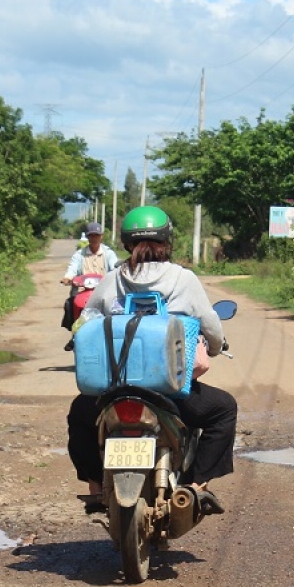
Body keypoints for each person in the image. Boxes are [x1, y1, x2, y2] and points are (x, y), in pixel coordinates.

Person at [66, 206, 237, 515]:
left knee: (80, 414)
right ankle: (196, 487)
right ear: (167, 241)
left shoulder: (112, 279)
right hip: (170, 393)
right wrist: (214, 346)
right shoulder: (183, 280)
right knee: (223, 410)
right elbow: (210, 323)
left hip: (113, 393)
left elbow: (86, 321)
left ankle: (95, 487)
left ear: (127, 243)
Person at [59, 222, 119, 339]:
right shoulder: (79, 255)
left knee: (117, 305)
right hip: (83, 289)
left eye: (96, 235)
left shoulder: (109, 254)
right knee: (70, 303)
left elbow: (114, 267)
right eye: (91, 235)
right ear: (87, 237)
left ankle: (114, 331)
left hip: (104, 289)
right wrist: (68, 277)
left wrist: (117, 274)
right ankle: (74, 331)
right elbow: (72, 268)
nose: (94, 238)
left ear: (101, 236)